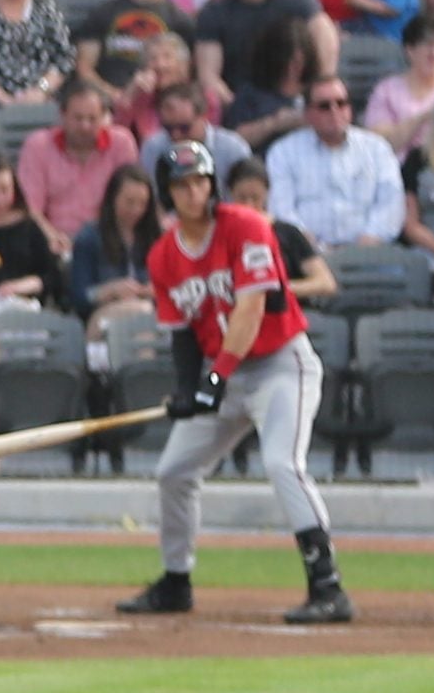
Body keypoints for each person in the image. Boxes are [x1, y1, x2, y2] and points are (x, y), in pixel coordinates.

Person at [119, 137, 351, 624]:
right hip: (224, 374)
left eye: (200, 181)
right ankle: (176, 581)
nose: (193, 192)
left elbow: (250, 310)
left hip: (280, 365)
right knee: (174, 472)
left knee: (282, 464)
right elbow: (182, 334)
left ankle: (327, 586)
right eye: (182, 185)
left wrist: (214, 378)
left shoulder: (246, 226)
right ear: (167, 192)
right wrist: (189, 390)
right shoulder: (163, 256)